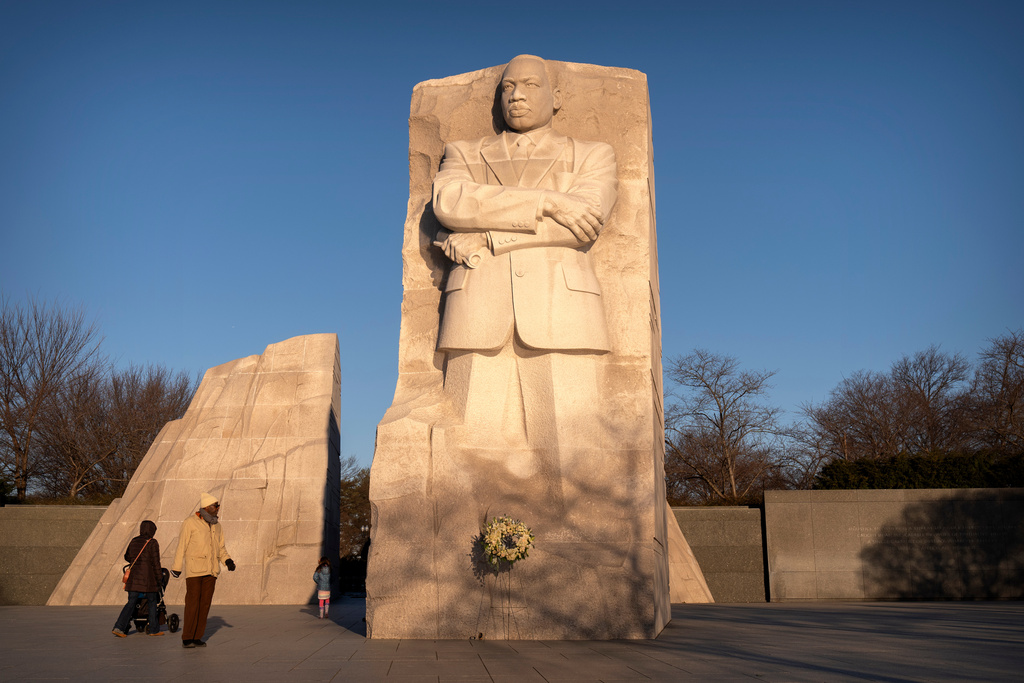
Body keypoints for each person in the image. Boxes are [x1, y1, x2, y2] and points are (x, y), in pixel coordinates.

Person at [431, 54, 618, 468]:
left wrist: (487, 235)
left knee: (572, 459)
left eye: (530, 85)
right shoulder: (463, 152)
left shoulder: (592, 154)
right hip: (476, 311)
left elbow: (581, 226)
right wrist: (549, 200)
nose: (516, 96)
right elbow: (450, 202)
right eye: (507, 88)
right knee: (466, 458)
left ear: (557, 98)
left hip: (563, 313)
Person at [171, 492, 234, 648]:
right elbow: (182, 546)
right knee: (192, 603)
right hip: (195, 570)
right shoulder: (190, 523)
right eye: (215, 505)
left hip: (211, 571)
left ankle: (197, 636)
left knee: (205, 604)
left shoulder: (217, 526)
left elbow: (221, 547)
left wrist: (227, 560)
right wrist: (177, 567)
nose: (218, 508)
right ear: (207, 507)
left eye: (218, 505)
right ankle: (187, 637)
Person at [112, 520, 164, 637]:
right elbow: (156, 563)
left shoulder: (134, 541)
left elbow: (127, 556)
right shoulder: (152, 542)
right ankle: (153, 629)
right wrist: (159, 578)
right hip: (148, 580)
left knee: (131, 603)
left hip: (134, 579)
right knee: (152, 602)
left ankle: (119, 627)